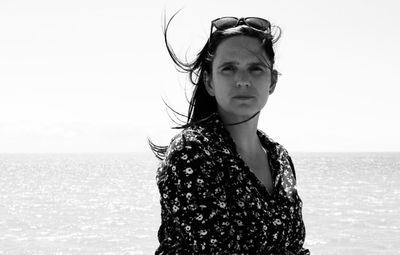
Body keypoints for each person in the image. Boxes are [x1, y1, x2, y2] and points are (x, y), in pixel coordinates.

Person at [149, 12, 310, 254]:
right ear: (209, 82)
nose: (243, 80)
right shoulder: (192, 152)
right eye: (228, 68)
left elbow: (296, 249)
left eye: (256, 68)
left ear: (272, 82)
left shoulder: (279, 158)